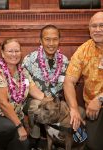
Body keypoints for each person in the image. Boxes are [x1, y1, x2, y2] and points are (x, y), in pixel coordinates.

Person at [0, 38, 50, 150]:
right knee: (7, 128)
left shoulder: (23, 72)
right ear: (2, 53)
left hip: (14, 116)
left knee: (24, 146)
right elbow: (3, 104)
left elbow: (37, 93)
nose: (14, 54)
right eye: (10, 51)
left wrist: (55, 104)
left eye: (17, 51)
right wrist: (19, 126)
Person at [22, 25, 69, 149]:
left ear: (59, 40)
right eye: (47, 39)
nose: (51, 43)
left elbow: (66, 85)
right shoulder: (29, 59)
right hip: (33, 99)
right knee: (36, 105)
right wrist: (45, 99)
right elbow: (28, 85)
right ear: (41, 40)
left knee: (65, 108)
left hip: (55, 101)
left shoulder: (64, 61)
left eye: (55, 39)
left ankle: (59, 139)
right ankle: (35, 139)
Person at [64, 11, 103, 150]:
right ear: (89, 29)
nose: (97, 29)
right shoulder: (84, 49)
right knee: (92, 144)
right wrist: (73, 109)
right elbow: (69, 81)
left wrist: (100, 99)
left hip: (98, 103)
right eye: (94, 26)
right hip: (94, 110)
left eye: (101, 25)